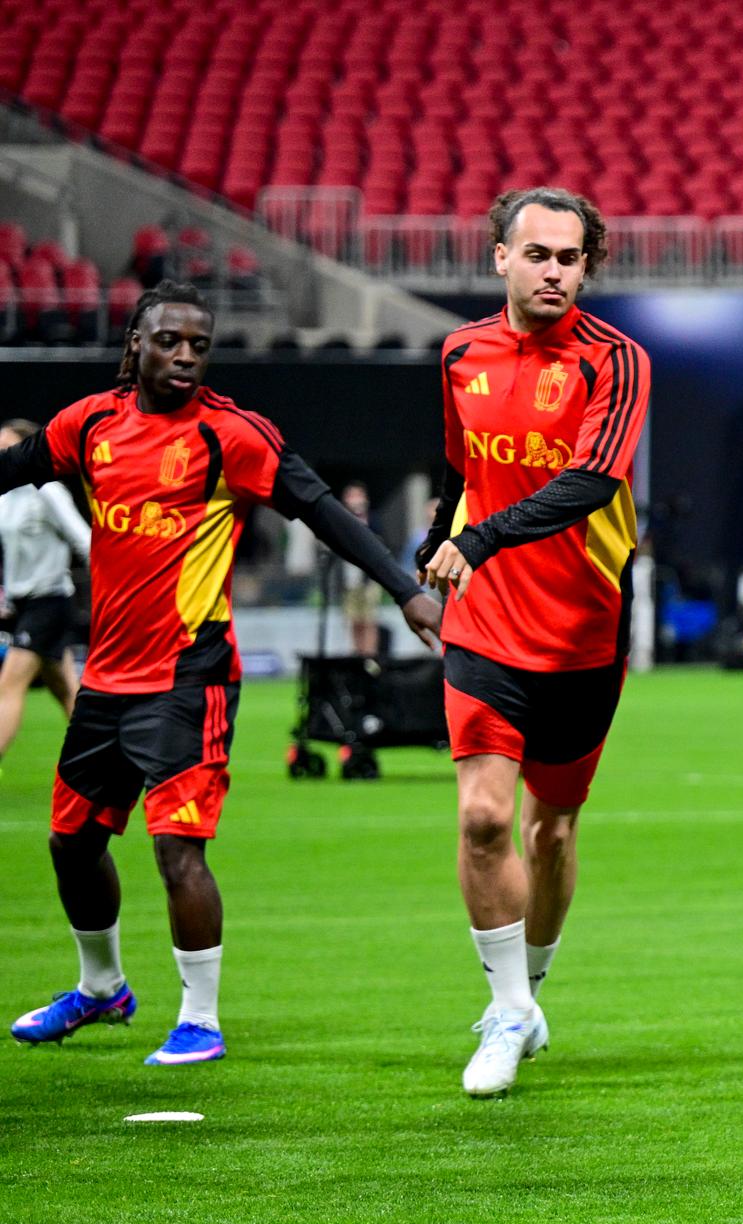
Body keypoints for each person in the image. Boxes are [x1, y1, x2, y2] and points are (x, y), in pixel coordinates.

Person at [2, 281, 440, 1065]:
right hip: (105, 677)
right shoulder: (89, 424)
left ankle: (200, 1018)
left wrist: (406, 590)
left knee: (179, 851)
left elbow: (323, 514)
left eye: (199, 346)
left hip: (188, 679)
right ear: (135, 343)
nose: (185, 357)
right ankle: (102, 989)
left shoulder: (229, 436)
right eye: (169, 341)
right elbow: (18, 466)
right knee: (71, 843)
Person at [417, 187, 649, 1099]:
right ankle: (506, 1009)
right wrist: (432, 555)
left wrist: (475, 538)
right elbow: (458, 468)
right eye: (539, 254)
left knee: (552, 829)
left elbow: (592, 481)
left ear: (588, 267)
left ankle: (533, 989)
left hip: (584, 629)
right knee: (482, 817)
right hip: (482, 621)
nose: (555, 270)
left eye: (571, 257)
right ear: (500, 259)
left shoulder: (616, 360)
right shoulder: (459, 352)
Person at [0, 418, 88, 769]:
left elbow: (85, 539)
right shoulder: (6, 495)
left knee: (9, 684)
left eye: (7, 445)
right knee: (67, 691)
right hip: (22, 603)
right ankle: (106, 759)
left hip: (50, 600)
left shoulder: (47, 490)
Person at [336, 481, 383, 657]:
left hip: (368, 578)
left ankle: (371, 655)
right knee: (354, 619)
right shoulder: (341, 520)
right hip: (349, 578)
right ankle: (357, 654)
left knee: (369, 619)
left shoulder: (372, 520)